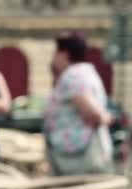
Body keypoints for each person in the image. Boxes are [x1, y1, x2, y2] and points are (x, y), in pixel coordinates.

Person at [43, 32, 113, 175]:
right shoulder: (86, 72)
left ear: (64, 54)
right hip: (77, 154)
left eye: (55, 53)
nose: (53, 57)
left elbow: (92, 111)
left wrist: (105, 117)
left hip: (76, 157)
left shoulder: (73, 75)